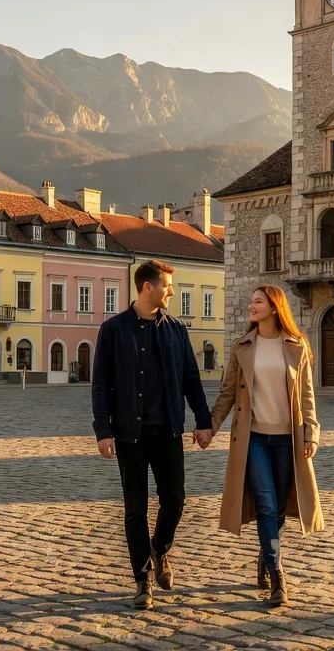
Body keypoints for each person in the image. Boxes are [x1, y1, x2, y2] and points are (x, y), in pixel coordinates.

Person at [92, 259, 215, 610]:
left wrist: (203, 421)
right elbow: (100, 384)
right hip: (129, 434)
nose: (172, 292)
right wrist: (103, 429)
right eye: (167, 285)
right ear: (148, 286)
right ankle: (142, 581)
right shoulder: (113, 330)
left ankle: (160, 550)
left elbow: (191, 378)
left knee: (175, 499)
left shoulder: (176, 329)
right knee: (135, 510)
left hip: (168, 431)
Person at [208, 285, 324, 607]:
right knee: (266, 506)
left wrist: (310, 433)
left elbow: (307, 396)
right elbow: (227, 393)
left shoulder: (296, 346)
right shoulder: (242, 346)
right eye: (251, 302)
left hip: (287, 439)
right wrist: (212, 425)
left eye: (258, 301)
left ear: (275, 307)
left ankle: (266, 552)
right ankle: (277, 575)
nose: (251, 306)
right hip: (254, 438)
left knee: (281, 508)